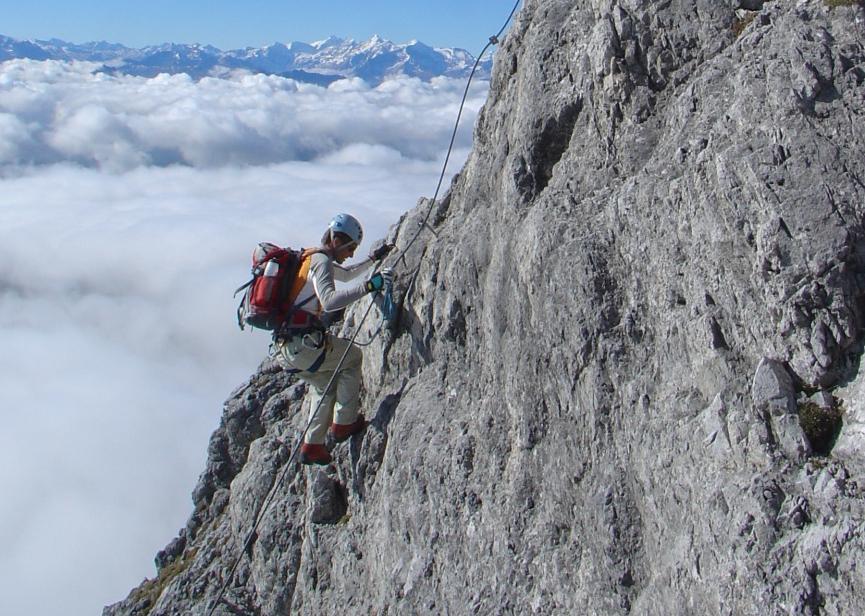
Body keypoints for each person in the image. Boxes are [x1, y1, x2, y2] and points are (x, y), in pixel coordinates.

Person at [273, 213, 393, 465]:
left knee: (324, 383)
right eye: (350, 248)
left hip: (286, 349)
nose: (350, 254)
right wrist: (370, 287)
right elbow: (329, 302)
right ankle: (344, 424)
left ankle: (312, 445)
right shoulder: (321, 262)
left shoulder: (310, 257)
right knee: (352, 358)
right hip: (303, 344)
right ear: (337, 239)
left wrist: (373, 259)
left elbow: (347, 275)